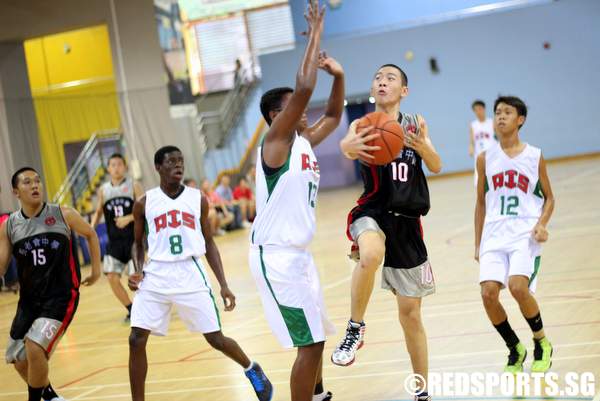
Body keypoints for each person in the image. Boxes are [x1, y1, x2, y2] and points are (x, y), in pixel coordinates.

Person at [249, 2, 343, 400]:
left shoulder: (303, 142)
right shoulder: (275, 143)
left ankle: (318, 395)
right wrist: (316, 33)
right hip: (277, 257)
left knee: (318, 335)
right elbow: (304, 88)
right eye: (293, 106)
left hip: (299, 256)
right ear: (276, 115)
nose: (303, 108)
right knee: (311, 344)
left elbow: (336, 116)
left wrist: (338, 76)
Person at [127, 146, 272, 401]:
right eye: (171, 161)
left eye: (181, 161)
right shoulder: (145, 202)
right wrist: (138, 270)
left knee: (215, 339)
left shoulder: (198, 199)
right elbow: (138, 243)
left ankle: (252, 369)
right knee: (136, 338)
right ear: (158, 167)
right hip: (156, 272)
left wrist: (224, 284)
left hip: (189, 271)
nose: (178, 165)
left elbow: (209, 242)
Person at [334, 64, 442, 401]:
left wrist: (422, 146)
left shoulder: (415, 124)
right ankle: (355, 328)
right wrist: (347, 146)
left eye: (390, 78)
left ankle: (421, 391)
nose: (382, 81)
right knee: (370, 254)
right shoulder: (361, 124)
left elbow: (437, 165)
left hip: (407, 221)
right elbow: (347, 147)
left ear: (404, 91)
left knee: (410, 315)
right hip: (373, 210)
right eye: (378, 77)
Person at [0, 167, 101, 401]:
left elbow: (91, 234)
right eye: (27, 182)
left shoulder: (62, 214)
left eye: (37, 181)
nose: (35, 185)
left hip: (60, 296)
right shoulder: (9, 226)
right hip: (28, 301)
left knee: (35, 347)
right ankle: (51, 397)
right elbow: (2, 265)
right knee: (19, 359)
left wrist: (96, 271)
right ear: (16, 192)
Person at [475, 96, 555, 373]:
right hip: (494, 234)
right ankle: (514, 347)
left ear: (520, 120)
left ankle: (541, 342)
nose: (500, 116)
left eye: (507, 112)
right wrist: (478, 243)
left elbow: (550, 198)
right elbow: (481, 203)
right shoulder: (485, 158)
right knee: (488, 294)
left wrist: (542, 223)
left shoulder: (534, 155)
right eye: (497, 112)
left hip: (524, 232)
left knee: (518, 287)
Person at [91, 153, 144, 321]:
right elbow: (99, 211)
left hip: (133, 241)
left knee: (136, 280)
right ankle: (132, 309)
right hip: (114, 242)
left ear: (125, 167)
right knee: (112, 277)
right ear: (108, 169)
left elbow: (146, 210)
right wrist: (90, 229)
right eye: (112, 165)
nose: (116, 168)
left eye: (119, 164)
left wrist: (128, 218)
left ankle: (148, 307)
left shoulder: (134, 185)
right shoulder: (103, 190)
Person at [469, 100, 496, 186]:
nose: (478, 112)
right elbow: (472, 141)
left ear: (484, 109)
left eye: (480, 109)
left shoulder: (492, 122)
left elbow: (499, 137)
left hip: (492, 154)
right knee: (479, 179)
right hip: (479, 155)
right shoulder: (473, 125)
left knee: (493, 176)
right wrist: (471, 148)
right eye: (476, 110)